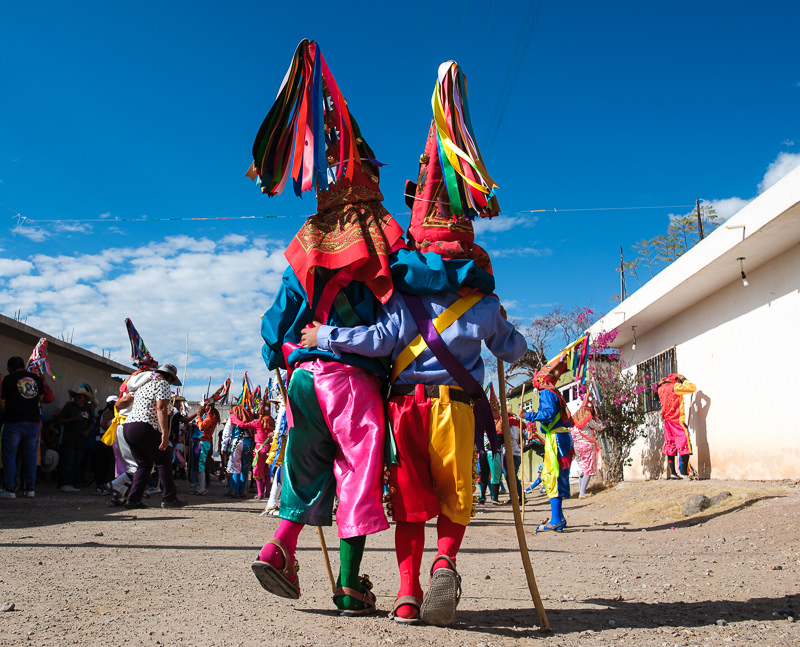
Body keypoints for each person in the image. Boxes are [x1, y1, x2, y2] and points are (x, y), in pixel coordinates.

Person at [304, 59, 525, 627]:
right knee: (455, 501)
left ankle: (406, 597)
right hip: (455, 411)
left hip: (403, 410)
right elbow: (515, 351)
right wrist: (512, 330)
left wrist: (324, 334)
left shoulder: (401, 294)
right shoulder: (483, 304)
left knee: (409, 506)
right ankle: (445, 564)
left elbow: (376, 341)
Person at [250, 40, 404, 616]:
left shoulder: (307, 249)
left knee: (306, 464)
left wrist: (283, 354)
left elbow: (275, 323)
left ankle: (278, 546)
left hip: (304, 380)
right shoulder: (385, 247)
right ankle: (348, 583)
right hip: (353, 382)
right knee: (357, 475)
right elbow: (402, 312)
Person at [117, 363, 184, 509]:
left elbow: (123, 403)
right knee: (164, 459)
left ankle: (133, 499)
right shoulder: (163, 384)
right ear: (170, 378)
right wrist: (165, 433)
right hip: (144, 426)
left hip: (129, 426)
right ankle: (169, 498)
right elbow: (161, 407)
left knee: (145, 464)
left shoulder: (143, 384)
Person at [520, 355, 575, 532]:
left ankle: (556, 519)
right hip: (560, 437)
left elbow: (548, 415)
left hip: (556, 439)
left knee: (552, 477)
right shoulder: (554, 392)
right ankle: (558, 517)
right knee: (554, 477)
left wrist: (527, 415)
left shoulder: (546, 392)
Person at [1, 356, 54, 498]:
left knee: (10, 455)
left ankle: (9, 488)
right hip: (33, 421)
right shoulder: (36, 379)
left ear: (10, 368)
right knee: (30, 455)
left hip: (14, 421)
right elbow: (42, 398)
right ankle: (30, 488)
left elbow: (3, 399)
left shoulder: (9, 379)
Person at [657, 373, 698, 479]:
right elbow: (692, 388)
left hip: (667, 422)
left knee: (670, 445)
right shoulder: (675, 386)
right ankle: (684, 472)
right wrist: (683, 378)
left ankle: (673, 473)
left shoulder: (660, 388)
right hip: (677, 421)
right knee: (684, 444)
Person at [56, 384, 95, 492]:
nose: (77, 399)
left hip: (80, 440)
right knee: (68, 461)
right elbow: (60, 420)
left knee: (77, 462)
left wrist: (87, 431)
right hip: (69, 439)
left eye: (80, 397)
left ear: (85, 399)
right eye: (76, 396)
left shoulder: (87, 409)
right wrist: (73, 419)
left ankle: (72, 482)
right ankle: (64, 483)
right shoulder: (69, 407)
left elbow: (91, 422)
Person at [569, 398, 603, 498]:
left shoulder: (574, 421)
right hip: (586, 446)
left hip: (576, 447)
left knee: (581, 470)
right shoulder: (588, 421)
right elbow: (599, 427)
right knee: (588, 469)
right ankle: (582, 492)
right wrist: (596, 418)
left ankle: (581, 491)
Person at [192, 401, 219, 495]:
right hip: (201, 441)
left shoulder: (210, 417)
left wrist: (199, 417)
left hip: (203, 441)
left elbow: (201, 426)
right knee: (199, 465)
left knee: (200, 465)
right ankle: (200, 485)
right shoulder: (207, 416)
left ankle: (202, 488)